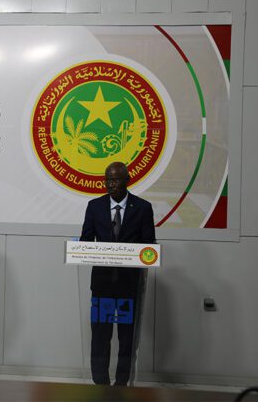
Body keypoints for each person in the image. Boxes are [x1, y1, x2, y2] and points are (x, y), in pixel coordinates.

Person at [79, 161, 156, 386]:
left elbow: (148, 245)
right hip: (102, 286)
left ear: (127, 180)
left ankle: (122, 384)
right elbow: (85, 240)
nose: (110, 184)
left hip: (129, 287)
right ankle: (100, 384)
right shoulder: (94, 206)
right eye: (107, 180)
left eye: (115, 180)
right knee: (100, 336)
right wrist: (81, 248)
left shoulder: (142, 208)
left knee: (126, 338)